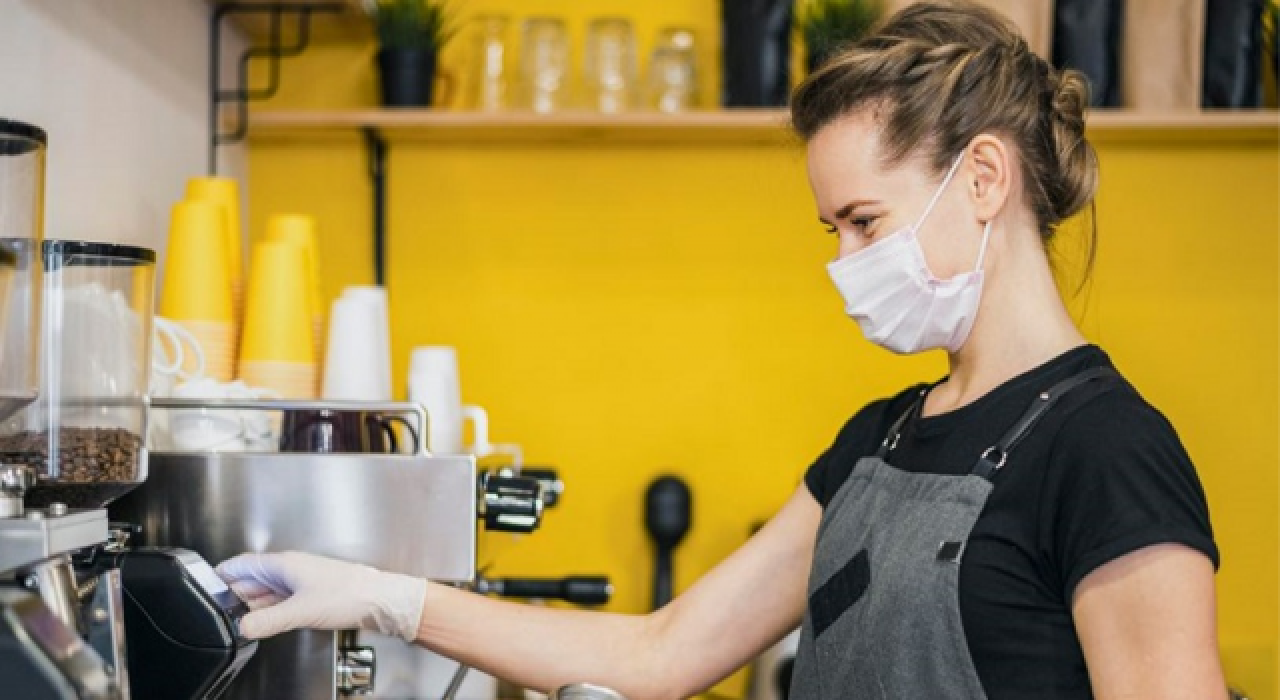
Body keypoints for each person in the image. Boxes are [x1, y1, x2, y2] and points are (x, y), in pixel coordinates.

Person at [217, 2, 1225, 698]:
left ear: (982, 179)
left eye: (863, 221)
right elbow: (663, 650)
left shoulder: (1107, 451)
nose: (842, 261)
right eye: (829, 228)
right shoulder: (880, 440)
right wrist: (382, 598)